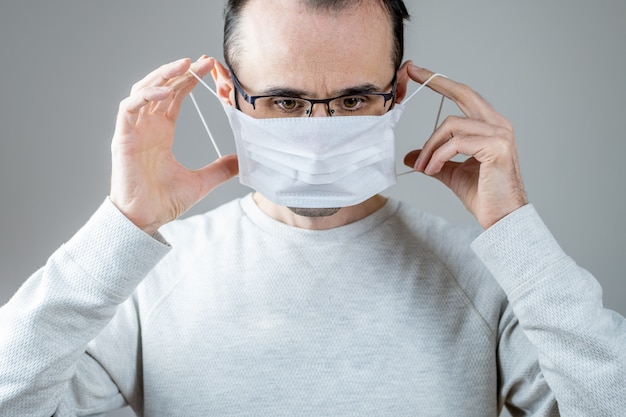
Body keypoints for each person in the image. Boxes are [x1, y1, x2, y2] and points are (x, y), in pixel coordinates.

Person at [0, 0, 624, 415]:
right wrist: (122, 228)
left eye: (354, 100)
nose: (319, 136)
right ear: (226, 92)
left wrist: (518, 232)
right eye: (284, 102)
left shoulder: (490, 277)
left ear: (399, 94)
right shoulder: (143, 278)